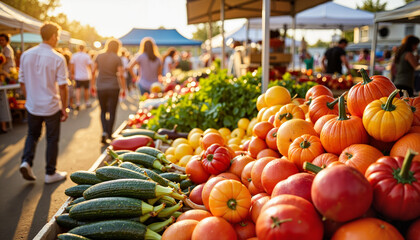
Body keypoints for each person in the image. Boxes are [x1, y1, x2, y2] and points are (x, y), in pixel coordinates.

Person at [18, 22, 68, 183]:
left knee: (32, 134)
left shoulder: (26, 55)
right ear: (53, 36)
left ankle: (26, 161)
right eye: (58, 36)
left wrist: (29, 97)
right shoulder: (57, 58)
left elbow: (22, 82)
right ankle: (50, 172)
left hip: (33, 105)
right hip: (51, 105)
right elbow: (63, 86)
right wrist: (64, 108)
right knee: (52, 138)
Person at [91, 38, 126, 144]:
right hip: (113, 87)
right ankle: (110, 134)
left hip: (101, 86)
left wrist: (92, 85)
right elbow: (121, 74)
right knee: (112, 111)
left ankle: (104, 132)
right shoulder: (117, 58)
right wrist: (124, 88)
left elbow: (93, 71)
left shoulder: (99, 56)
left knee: (102, 110)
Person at [0, 33, 16, 133]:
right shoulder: (4, 49)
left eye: (2, 40)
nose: (1, 42)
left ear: (6, 41)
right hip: (5, 74)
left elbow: (6, 61)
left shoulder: (7, 49)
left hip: (7, 75)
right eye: (0, 40)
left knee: (4, 99)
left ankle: (4, 124)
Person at [70, 45, 92, 109]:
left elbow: (72, 66)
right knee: (86, 89)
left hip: (78, 76)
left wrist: (72, 74)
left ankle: (78, 103)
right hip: (86, 76)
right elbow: (90, 66)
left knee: (78, 89)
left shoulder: (74, 55)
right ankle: (87, 102)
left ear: (78, 48)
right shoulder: (87, 56)